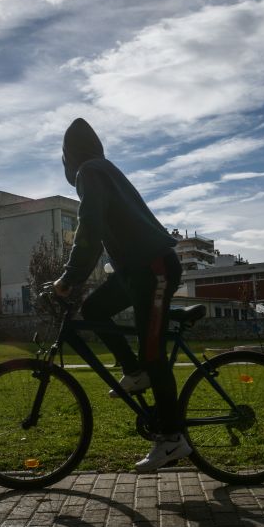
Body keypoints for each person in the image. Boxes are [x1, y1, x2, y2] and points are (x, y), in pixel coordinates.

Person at [52, 118, 189, 472]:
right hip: (136, 271)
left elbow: (90, 226)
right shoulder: (102, 169)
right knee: (94, 308)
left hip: (154, 268)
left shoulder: (90, 172)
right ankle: (134, 370)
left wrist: (70, 276)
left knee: (153, 351)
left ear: (69, 156)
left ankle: (172, 438)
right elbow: (98, 231)